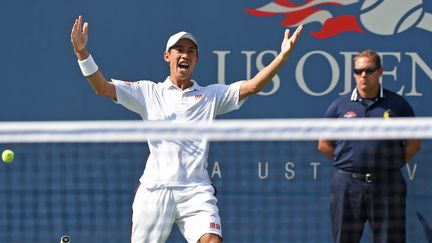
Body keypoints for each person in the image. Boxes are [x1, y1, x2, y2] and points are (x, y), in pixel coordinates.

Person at [70, 15, 302, 243]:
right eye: (179, 49)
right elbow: (103, 88)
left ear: (196, 59)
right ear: (167, 56)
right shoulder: (149, 92)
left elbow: (252, 86)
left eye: (191, 51)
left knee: (211, 240)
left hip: (196, 190)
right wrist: (82, 53)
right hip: (155, 190)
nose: (185, 54)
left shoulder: (211, 96)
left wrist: (282, 56)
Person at [318, 50, 421, 243]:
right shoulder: (339, 105)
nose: (363, 75)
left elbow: (414, 143)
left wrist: (391, 165)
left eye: (369, 70)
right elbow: (324, 144)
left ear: (380, 71)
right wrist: (348, 165)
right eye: (358, 71)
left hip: (388, 185)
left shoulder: (398, 105)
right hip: (347, 187)